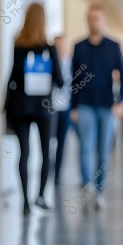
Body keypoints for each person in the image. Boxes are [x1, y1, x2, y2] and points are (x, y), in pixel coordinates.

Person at [4, 3, 64, 215]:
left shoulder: (18, 46)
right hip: (43, 108)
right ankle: (40, 195)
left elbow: (12, 77)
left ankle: (25, 203)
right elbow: (60, 80)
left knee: (24, 153)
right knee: (46, 152)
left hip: (21, 107)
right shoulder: (49, 49)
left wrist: (5, 106)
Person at [70, 3, 123, 209]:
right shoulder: (79, 47)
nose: (95, 22)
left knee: (103, 151)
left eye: (98, 19)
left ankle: (100, 191)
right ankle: (88, 186)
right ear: (87, 20)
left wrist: (120, 101)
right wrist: (73, 107)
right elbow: (74, 81)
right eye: (91, 18)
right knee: (85, 147)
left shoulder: (114, 47)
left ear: (103, 21)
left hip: (106, 107)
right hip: (85, 106)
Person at [50, 35, 72, 187]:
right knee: (48, 142)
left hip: (66, 109)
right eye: (56, 46)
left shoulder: (72, 64)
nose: (59, 49)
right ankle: (47, 172)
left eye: (61, 46)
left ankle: (57, 174)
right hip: (50, 109)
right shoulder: (49, 63)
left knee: (61, 142)